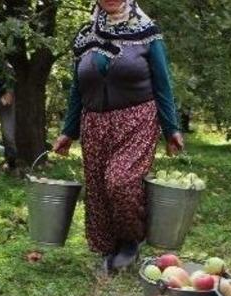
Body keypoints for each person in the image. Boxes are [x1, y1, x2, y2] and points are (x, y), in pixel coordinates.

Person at [53, 0, 184, 273]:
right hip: (95, 123)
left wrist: (171, 128)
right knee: (99, 190)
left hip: (137, 118)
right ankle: (109, 249)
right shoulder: (84, 36)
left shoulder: (146, 32)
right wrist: (68, 131)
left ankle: (129, 243)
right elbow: (77, 88)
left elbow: (163, 83)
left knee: (120, 181)